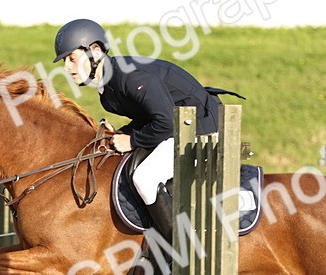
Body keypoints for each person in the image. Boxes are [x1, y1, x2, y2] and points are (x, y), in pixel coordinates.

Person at [53, 18, 235, 241]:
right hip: (179, 125)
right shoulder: (107, 88)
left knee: (145, 177)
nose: (66, 67)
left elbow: (165, 122)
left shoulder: (129, 78)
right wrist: (122, 133)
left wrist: (131, 141)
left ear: (95, 51)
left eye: (72, 59)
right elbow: (149, 117)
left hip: (200, 127)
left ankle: (180, 247)